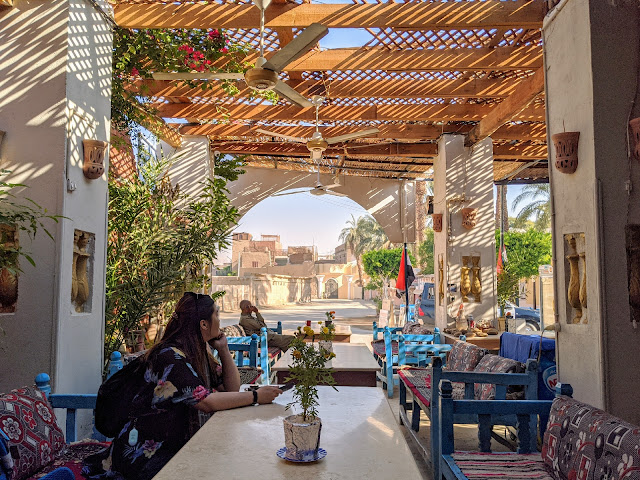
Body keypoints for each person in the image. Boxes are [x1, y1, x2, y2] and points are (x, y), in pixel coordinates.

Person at [83, 292, 282, 480]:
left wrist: (223, 349)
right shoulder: (170, 357)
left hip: (174, 445)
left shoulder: (196, 351)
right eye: (217, 315)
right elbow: (205, 401)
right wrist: (256, 396)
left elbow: (230, 389)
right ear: (203, 324)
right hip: (145, 453)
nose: (220, 320)